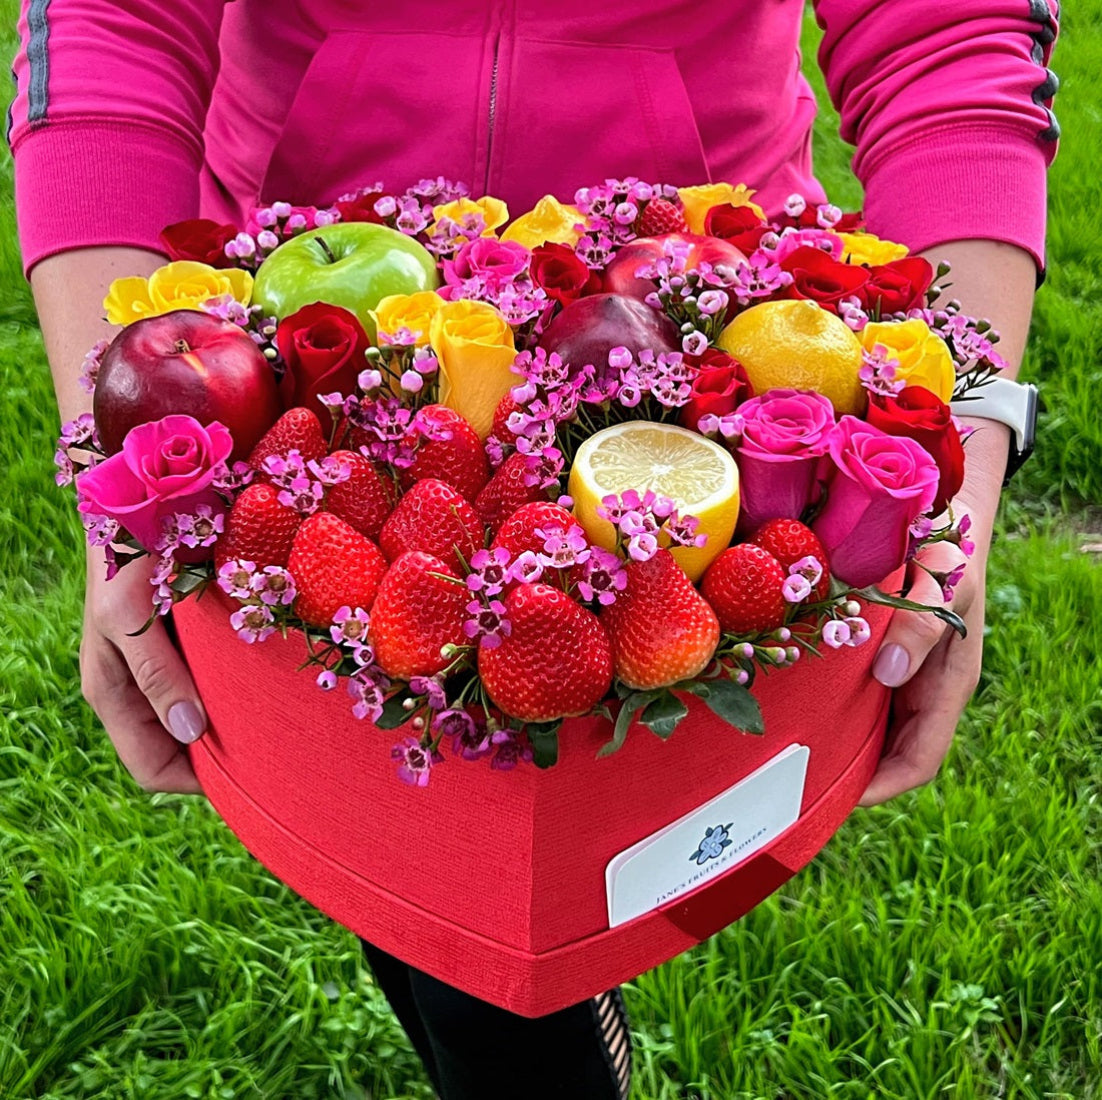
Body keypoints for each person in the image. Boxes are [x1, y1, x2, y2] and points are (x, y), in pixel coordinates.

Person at [10, 2, 1058, 1097]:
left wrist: (961, 432)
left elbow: (950, 29)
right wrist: (125, 453)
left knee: (511, 911)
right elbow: (110, 22)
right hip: (314, 348)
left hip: (697, 329)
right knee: (434, 890)